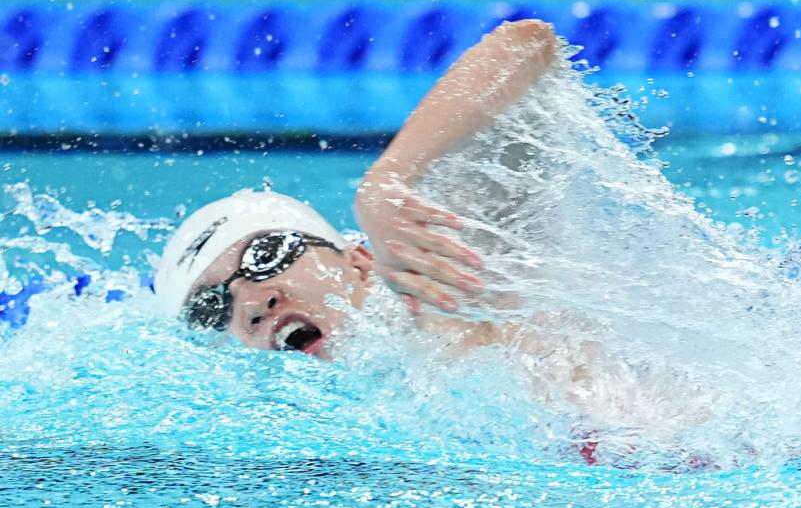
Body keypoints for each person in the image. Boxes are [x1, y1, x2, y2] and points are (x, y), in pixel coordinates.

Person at [155, 20, 561, 359]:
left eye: (266, 255)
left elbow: (527, 44)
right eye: (211, 308)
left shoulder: (451, 293)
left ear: (360, 262)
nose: (252, 303)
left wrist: (388, 180)